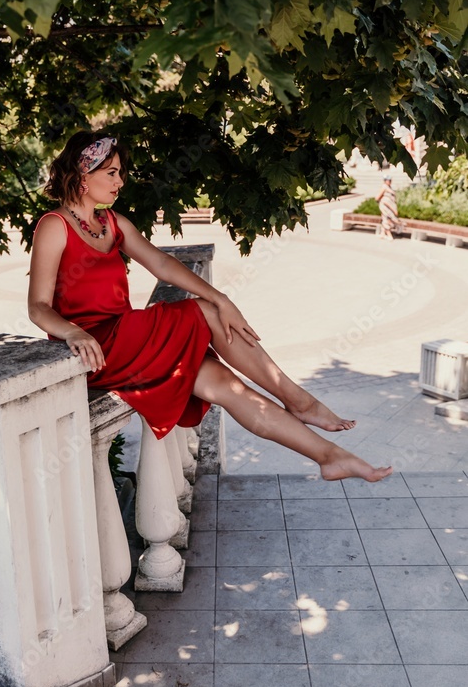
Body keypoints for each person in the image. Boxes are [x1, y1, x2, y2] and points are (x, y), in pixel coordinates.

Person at [28, 130, 392, 483]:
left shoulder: (113, 223)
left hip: (131, 342)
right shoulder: (53, 225)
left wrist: (223, 298)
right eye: (111, 173)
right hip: (97, 349)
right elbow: (38, 307)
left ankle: (329, 456)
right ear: (81, 176)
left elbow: (163, 265)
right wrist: (73, 331)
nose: (120, 181)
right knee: (203, 310)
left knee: (230, 388)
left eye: (121, 172)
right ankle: (299, 400)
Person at [375, 176, 399, 240]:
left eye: (390, 180)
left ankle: (382, 234)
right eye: (388, 180)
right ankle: (389, 235)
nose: (390, 181)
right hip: (386, 206)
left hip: (389, 206)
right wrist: (385, 201)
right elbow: (377, 198)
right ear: (385, 181)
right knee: (387, 219)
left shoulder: (389, 187)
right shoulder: (384, 187)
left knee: (385, 218)